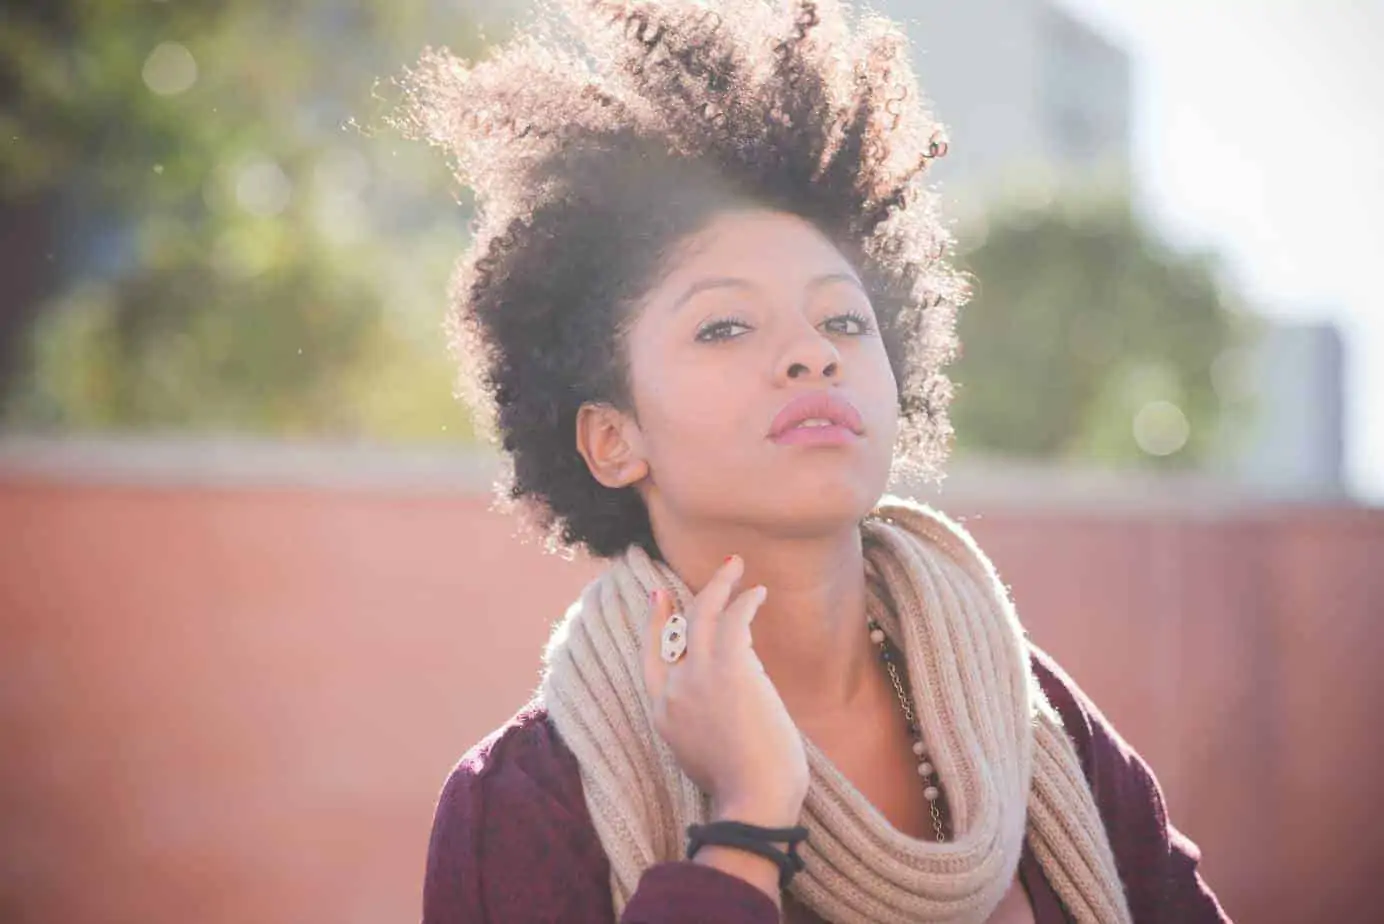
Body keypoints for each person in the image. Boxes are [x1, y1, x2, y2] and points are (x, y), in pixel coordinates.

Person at [406, 1, 1229, 921]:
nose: (813, 355)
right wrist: (748, 819)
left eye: (843, 320)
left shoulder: (1025, 714)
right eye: (725, 326)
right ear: (612, 438)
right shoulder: (524, 804)